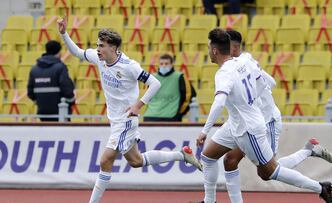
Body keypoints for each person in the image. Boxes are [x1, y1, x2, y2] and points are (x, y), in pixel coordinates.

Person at [57, 16, 203, 203]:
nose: (98, 49)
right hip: (115, 120)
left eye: (101, 46)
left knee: (104, 161)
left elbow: (155, 83)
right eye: (98, 45)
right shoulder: (98, 58)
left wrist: (138, 105)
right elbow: (77, 52)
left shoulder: (129, 66)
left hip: (126, 120)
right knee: (136, 161)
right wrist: (64, 34)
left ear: (113, 48)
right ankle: (181, 155)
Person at [196, 28, 332, 203]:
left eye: (209, 48)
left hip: (249, 130)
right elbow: (265, 83)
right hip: (237, 123)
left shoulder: (223, 74)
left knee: (269, 172)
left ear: (214, 50)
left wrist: (204, 131)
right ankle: (210, 201)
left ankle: (320, 187)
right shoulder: (244, 62)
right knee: (208, 157)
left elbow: (219, 103)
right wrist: (250, 103)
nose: (208, 51)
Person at [27, 40, 75, 122]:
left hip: (42, 112)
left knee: (46, 134)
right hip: (60, 112)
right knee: (61, 134)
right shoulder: (60, 67)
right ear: (59, 52)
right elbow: (66, 89)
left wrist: (40, 101)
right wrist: (71, 101)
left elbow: (30, 92)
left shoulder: (34, 69)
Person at [143, 54, 196, 122]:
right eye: (161, 63)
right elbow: (148, 97)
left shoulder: (180, 77)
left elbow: (188, 96)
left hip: (171, 116)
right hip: (150, 116)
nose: (164, 65)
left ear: (172, 64)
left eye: (166, 63)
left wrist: (179, 113)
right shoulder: (152, 77)